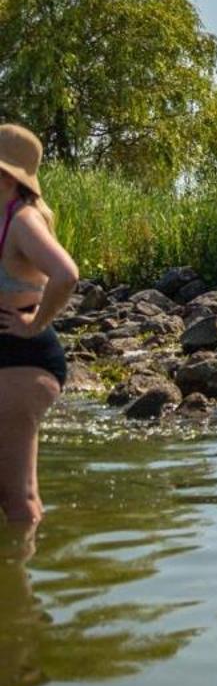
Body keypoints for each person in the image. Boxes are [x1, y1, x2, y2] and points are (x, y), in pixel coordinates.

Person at [0, 126, 79, 526]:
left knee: (19, 497)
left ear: (7, 176)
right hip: (8, 358)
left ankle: (22, 587)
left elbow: (65, 274)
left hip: (23, 358)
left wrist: (33, 324)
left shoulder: (23, 221)